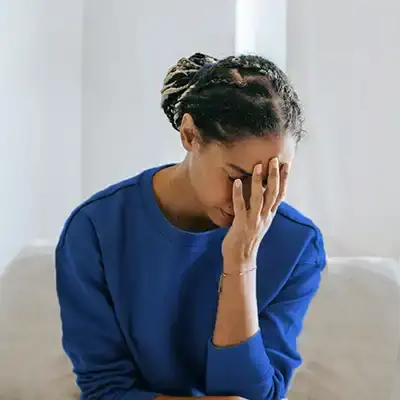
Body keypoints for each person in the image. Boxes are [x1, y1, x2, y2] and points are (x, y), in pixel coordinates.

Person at [55, 53, 326, 400]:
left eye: (272, 179)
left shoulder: (299, 245)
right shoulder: (95, 230)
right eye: (239, 176)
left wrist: (241, 261)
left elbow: (254, 395)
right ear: (189, 135)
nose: (254, 200)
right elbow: (105, 389)